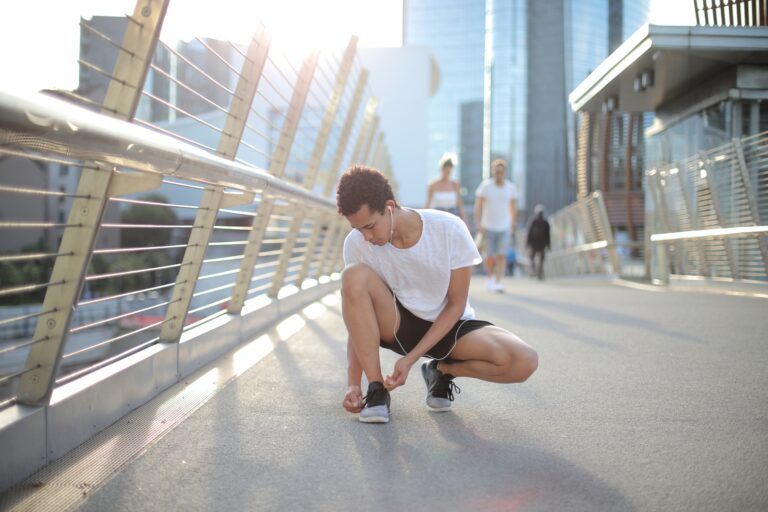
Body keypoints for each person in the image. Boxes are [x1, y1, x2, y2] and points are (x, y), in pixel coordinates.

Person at [337, 165, 537, 424]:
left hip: (450, 326)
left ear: (388, 207)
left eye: (370, 226)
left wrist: (411, 360)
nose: (365, 236)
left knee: (524, 361)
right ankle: (376, 391)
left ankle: (442, 370)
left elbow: (456, 305)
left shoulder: (449, 229)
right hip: (398, 324)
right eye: (358, 228)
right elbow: (356, 317)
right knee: (352, 276)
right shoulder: (356, 243)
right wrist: (353, 384)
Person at [474, 159, 517, 292]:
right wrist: (478, 223)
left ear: (505, 172)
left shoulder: (510, 188)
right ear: (492, 171)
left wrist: (513, 223)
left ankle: (498, 281)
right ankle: (490, 278)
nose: (498, 174)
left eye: (501, 171)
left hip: (504, 227)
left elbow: (512, 208)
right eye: (496, 171)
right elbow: (478, 206)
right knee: (489, 256)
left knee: (501, 255)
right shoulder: (485, 187)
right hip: (488, 227)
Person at [425, 153, 466, 221]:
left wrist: (464, 219)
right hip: (437, 217)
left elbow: (459, 203)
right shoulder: (432, 185)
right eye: (446, 171)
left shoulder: (455, 184)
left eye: (449, 172)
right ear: (442, 170)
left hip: (453, 216)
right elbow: (428, 203)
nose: (447, 174)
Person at [526, 204, 551, 280]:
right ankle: (540, 272)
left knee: (531, 257)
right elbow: (548, 235)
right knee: (541, 258)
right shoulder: (546, 222)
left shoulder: (533, 221)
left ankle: (534, 269)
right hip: (542, 244)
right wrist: (549, 245)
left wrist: (527, 243)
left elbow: (529, 233)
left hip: (534, 243)